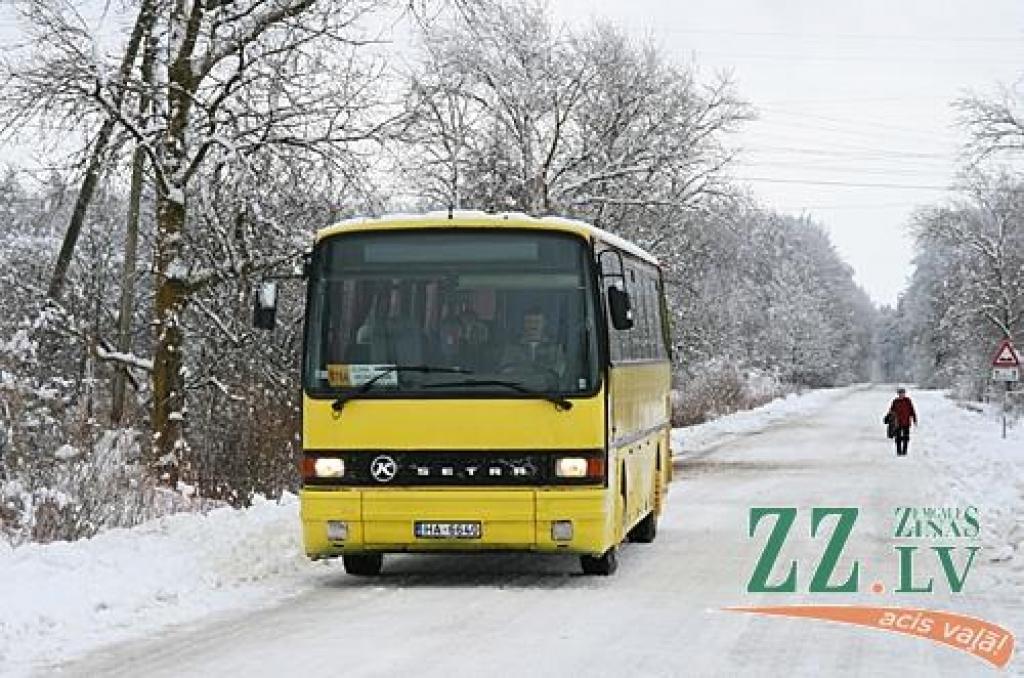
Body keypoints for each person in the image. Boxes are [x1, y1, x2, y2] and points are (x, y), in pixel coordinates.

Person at [888, 387, 918, 456]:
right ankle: (898, 451)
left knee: (906, 437)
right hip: (897, 423)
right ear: (898, 394)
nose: (901, 395)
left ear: (904, 394)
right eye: (900, 393)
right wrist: (889, 419)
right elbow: (891, 411)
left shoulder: (908, 401)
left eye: (903, 393)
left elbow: (912, 410)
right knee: (898, 437)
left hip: (906, 422)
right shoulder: (895, 401)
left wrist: (914, 419)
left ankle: (904, 451)